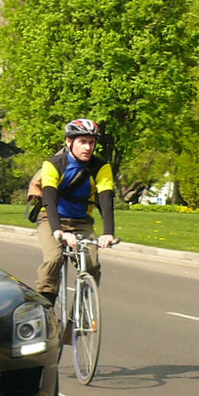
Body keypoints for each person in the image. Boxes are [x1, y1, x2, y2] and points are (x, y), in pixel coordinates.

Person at [35, 118, 117, 306]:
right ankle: (44, 307)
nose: (88, 147)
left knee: (92, 264)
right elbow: (48, 198)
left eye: (91, 142)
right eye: (82, 142)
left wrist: (109, 233)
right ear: (69, 142)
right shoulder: (54, 164)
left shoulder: (101, 167)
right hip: (52, 219)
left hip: (81, 221)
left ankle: (84, 308)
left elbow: (106, 200)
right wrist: (57, 231)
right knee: (54, 259)